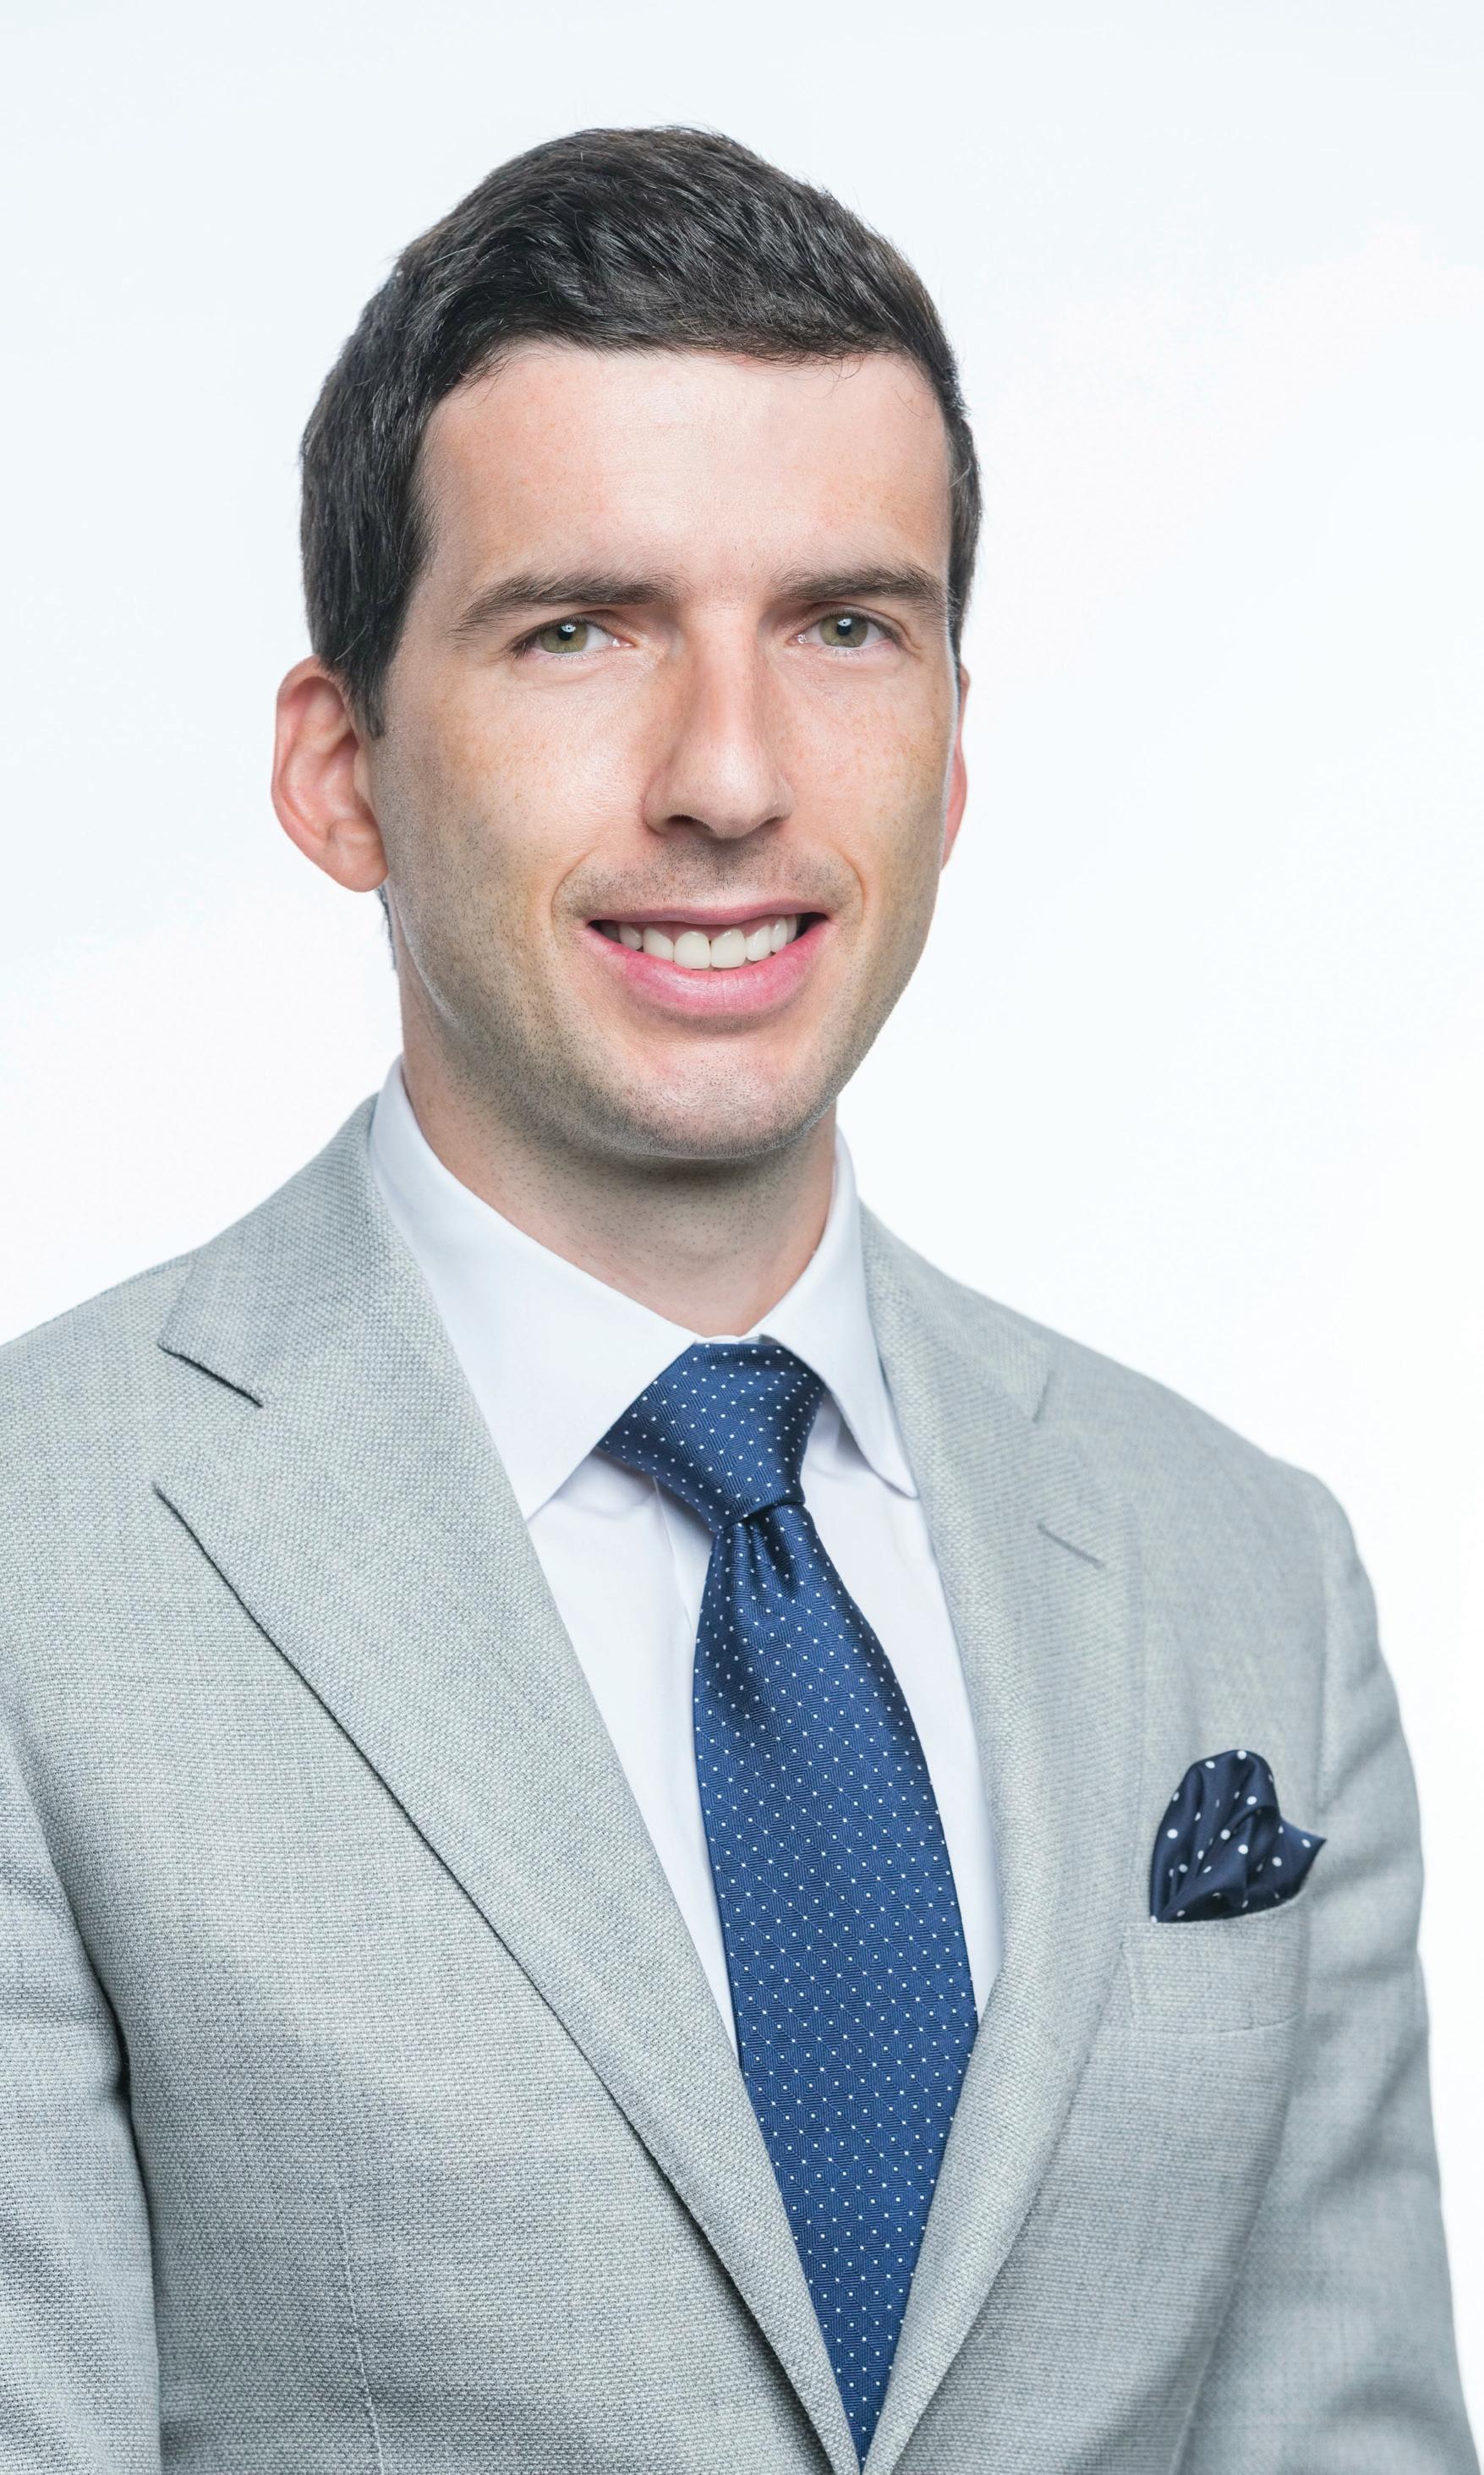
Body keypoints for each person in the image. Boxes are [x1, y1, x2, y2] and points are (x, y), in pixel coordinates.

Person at [0, 124, 1475, 2475]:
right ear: (339, 771)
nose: (727, 775)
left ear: (953, 748)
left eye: (842, 626)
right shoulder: (41, 1564)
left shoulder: (1245, 1575)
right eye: (577, 628)